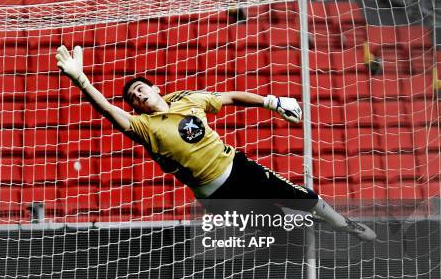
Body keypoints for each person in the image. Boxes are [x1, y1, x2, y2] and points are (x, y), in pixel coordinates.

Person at [55, 45, 376, 241]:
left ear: (154, 89)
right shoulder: (141, 126)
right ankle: (309, 219)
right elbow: (107, 109)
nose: (137, 95)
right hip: (212, 192)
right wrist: (80, 79)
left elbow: (231, 96)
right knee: (270, 224)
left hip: (235, 167)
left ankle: (344, 224)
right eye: (132, 97)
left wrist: (272, 101)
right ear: (135, 107)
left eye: (140, 89)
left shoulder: (186, 99)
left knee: (299, 197)